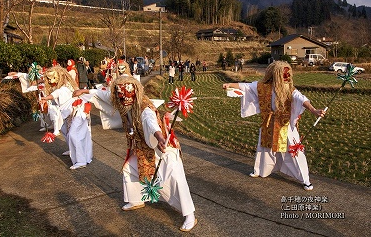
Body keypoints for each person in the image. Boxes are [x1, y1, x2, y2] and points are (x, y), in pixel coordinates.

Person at [110, 75, 197, 232]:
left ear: (134, 92)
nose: (123, 99)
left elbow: (150, 121)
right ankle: (136, 199)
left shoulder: (144, 107)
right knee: (129, 169)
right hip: (143, 149)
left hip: (163, 147)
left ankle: (190, 215)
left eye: (126, 95)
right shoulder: (125, 107)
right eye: (120, 96)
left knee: (175, 178)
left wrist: (159, 136)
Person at [222, 61, 326, 191]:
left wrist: (313, 110)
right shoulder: (263, 86)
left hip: (285, 125)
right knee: (264, 147)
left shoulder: (289, 89)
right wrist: (229, 84)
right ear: (275, 75)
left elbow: (301, 98)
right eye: (283, 75)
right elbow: (246, 87)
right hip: (269, 123)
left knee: (294, 152)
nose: (286, 77)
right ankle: (260, 170)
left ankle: (305, 179)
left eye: (287, 75)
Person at [40, 66, 93, 170]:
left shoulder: (65, 87)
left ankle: (81, 161)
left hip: (78, 112)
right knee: (65, 131)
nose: (51, 81)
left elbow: (56, 94)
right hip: (70, 113)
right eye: (49, 79)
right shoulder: (65, 85)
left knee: (74, 134)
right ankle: (72, 150)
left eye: (53, 78)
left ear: (59, 76)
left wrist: (46, 98)